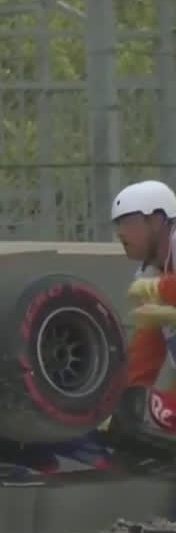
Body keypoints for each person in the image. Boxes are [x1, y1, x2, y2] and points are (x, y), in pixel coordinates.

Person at [109, 180, 176, 443]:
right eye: (117, 225)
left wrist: (159, 288)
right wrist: (124, 399)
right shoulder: (150, 273)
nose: (120, 233)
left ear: (157, 220)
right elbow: (147, 346)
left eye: (128, 221)